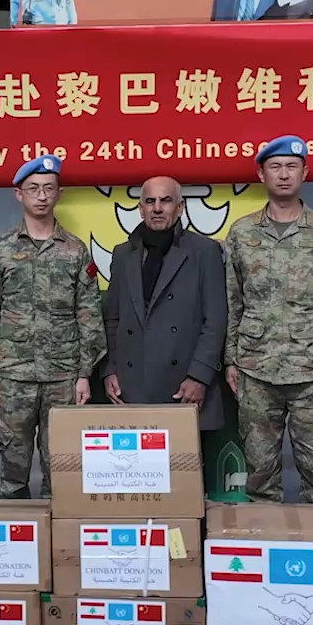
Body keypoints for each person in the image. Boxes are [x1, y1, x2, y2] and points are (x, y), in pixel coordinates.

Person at [224, 136, 313, 503]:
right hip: (256, 368)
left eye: (291, 167)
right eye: (275, 167)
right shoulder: (241, 233)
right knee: (259, 471)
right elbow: (233, 300)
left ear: (305, 172)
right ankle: (265, 546)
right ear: (261, 173)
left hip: (312, 370)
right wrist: (230, 359)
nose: (283, 175)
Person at [0, 155, 105, 498]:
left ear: (59, 193)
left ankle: (57, 546)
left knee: (61, 466)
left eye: (49, 188)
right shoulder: (1, 250)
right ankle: (15, 544)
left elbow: (88, 314)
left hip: (62, 377)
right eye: (33, 189)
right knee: (13, 468)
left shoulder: (76, 250)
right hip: (12, 374)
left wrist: (83, 374)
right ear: (19, 195)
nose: (42, 196)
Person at [102, 175, 229, 435]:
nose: (157, 208)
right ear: (141, 209)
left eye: (165, 200)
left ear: (180, 207)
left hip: (183, 386)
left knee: (185, 473)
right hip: (132, 387)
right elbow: (113, 319)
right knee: (134, 471)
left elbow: (215, 321)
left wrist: (199, 377)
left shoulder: (204, 252)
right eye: (150, 201)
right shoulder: (123, 254)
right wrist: (110, 370)